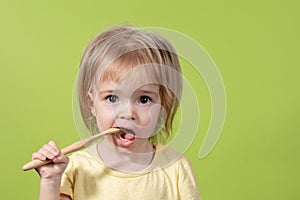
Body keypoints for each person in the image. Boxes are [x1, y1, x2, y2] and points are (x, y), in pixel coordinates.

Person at [32, 25, 201, 200]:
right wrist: (51, 181)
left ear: (162, 106)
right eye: (112, 98)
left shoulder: (176, 168)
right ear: (92, 104)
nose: (128, 113)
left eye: (144, 99)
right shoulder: (75, 168)